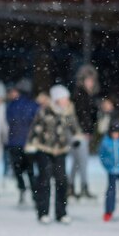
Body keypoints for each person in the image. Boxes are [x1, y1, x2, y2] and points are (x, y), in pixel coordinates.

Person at [25, 85, 83, 225]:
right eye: (63, 98)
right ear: (57, 99)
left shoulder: (69, 112)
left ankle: (61, 213)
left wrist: (76, 137)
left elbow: (75, 127)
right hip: (44, 149)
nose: (66, 100)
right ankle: (43, 213)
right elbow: (35, 128)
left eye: (67, 98)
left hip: (61, 150)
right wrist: (31, 144)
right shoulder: (45, 111)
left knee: (62, 181)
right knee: (44, 181)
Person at [6, 78, 39, 205]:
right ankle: (34, 194)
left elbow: (8, 120)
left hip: (14, 141)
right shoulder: (34, 105)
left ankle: (22, 189)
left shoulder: (12, 105)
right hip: (28, 142)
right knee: (30, 169)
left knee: (17, 169)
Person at [70, 64, 99, 199]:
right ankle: (83, 187)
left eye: (92, 80)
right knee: (82, 161)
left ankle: (71, 187)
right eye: (88, 79)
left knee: (77, 161)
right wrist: (85, 131)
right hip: (79, 134)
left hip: (80, 132)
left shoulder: (87, 95)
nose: (90, 82)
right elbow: (81, 116)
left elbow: (89, 116)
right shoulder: (80, 95)